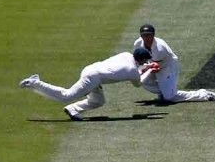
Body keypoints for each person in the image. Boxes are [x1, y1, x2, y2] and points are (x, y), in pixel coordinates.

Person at [19, 48, 157, 121]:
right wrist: (150, 70)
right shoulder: (132, 71)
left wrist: (146, 66)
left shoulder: (126, 55)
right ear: (141, 60)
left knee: (98, 101)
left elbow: (133, 68)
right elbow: (138, 83)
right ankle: (35, 82)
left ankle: (73, 109)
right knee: (66, 95)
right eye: (145, 60)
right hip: (93, 78)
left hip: (92, 70)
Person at [133, 24, 215, 103]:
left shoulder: (160, 48)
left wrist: (143, 69)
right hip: (153, 65)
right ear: (141, 36)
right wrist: (140, 70)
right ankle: (165, 92)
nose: (147, 38)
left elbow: (155, 68)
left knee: (170, 98)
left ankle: (203, 95)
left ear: (153, 35)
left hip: (167, 67)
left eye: (149, 35)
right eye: (144, 35)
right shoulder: (138, 43)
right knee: (140, 79)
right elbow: (141, 60)